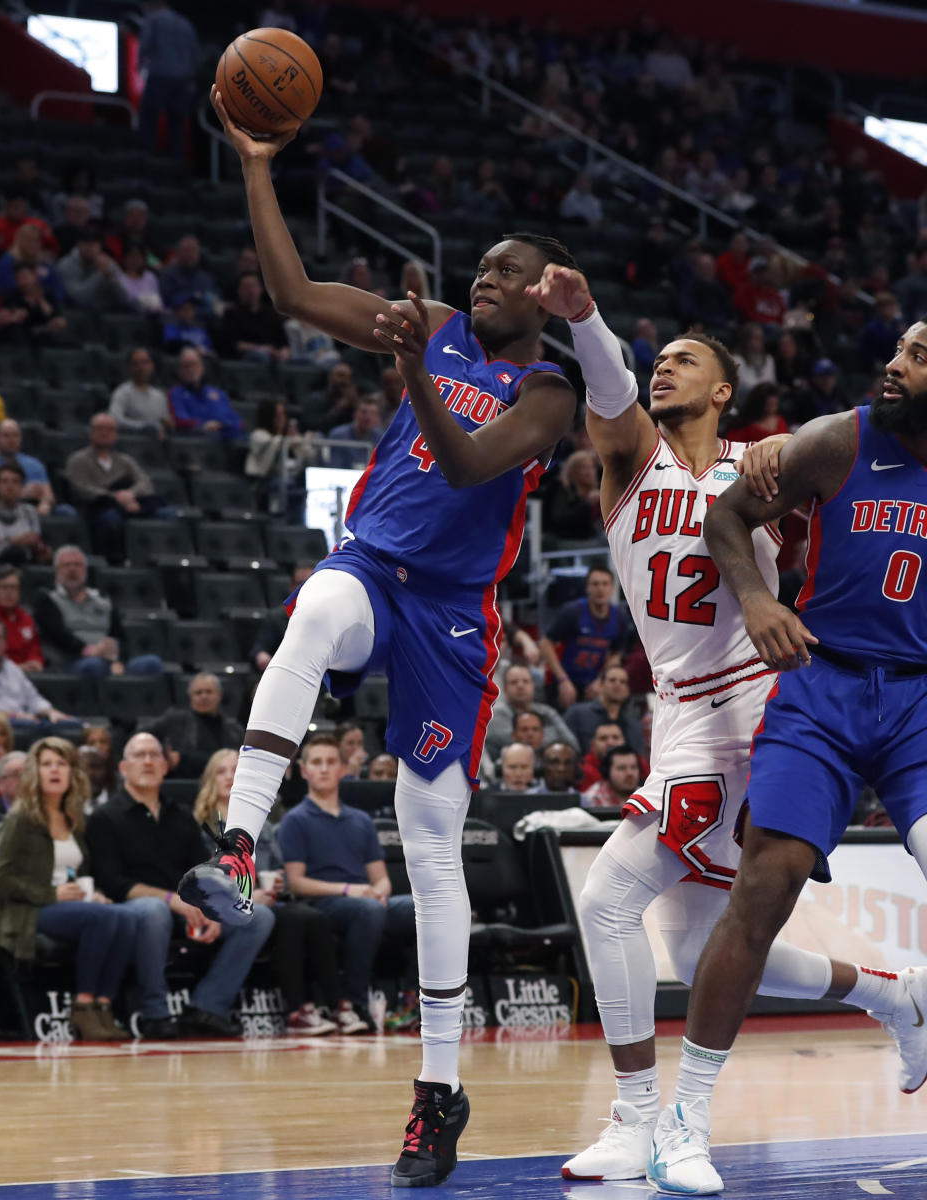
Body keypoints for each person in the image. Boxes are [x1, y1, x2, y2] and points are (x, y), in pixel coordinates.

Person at [179, 86, 580, 1190]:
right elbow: (297, 291)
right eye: (479, 268)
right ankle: (241, 844)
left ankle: (437, 1090)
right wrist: (259, 165)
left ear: (542, 295)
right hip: (374, 569)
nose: (480, 281)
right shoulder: (436, 326)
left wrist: (411, 373)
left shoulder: (550, 391)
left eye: (503, 272)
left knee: (430, 835)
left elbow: (465, 466)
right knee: (312, 609)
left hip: (453, 612)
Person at [528, 263, 918, 1192]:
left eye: (685, 359)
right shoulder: (630, 463)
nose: (663, 369)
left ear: (723, 388)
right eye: (656, 357)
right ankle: (895, 995)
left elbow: (856, 457)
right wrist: (586, 323)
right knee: (704, 953)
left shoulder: (772, 458)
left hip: (757, 703)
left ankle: (637, 1121)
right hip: (680, 710)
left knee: (610, 901)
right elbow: (610, 390)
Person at [658, 322, 927, 1193]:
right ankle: (686, 1118)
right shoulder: (837, 440)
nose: (894, 362)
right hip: (826, 684)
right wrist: (759, 600)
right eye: (898, 346)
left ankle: (913, 1000)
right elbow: (725, 517)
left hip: (921, 699)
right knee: (766, 881)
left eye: (920, 356)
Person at [86, 732, 275, 1038]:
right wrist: (170, 899)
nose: (148, 761)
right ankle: (155, 1012)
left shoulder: (181, 816)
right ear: (123, 768)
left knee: (256, 916)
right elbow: (112, 882)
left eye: (154, 755)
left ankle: (207, 1006)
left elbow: (203, 870)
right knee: (153, 911)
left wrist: (210, 905)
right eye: (139, 755)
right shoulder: (105, 818)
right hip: (137, 910)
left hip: (186, 906)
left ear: (165, 766)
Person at [0, 736, 136, 1040]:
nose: (55, 770)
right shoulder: (20, 821)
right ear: (35, 773)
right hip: (27, 911)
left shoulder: (73, 820)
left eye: (62, 763)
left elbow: (72, 874)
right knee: (101, 918)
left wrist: (90, 893)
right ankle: (83, 1005)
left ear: (72, 773)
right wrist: (51, 894)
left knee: (126, 916)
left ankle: (103, 1006)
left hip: (67, 907)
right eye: (47, 764)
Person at [194, 749, 341, 1036]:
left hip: (264, 904)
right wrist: (248, 896)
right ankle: (295, 1010)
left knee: (309, 916)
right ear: (210, 781)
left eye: (235, 770)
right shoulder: (201, 828)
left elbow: (278, 871)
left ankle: (329, 1006)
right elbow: (204, 879)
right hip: (220, 907)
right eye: (221, 772)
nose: (229, 777)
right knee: (275, 917)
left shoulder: (265, 827)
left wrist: (278, 884)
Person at [276, 734, 414, 1032]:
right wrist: (352, 891)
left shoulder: (361, 820)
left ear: (342, 769)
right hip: (324, 904)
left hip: (367, 902)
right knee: (368, 910)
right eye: (316, 762)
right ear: (304, 771)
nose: (324, 769)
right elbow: (296, 883)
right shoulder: (295, 820)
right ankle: (350, 1003)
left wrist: (378, 893)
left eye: (330, 762)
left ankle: (415, 999)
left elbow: (381, 880)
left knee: (423, 908)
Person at [34, 545, 163, 678]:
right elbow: (59, 636)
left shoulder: (103, 600)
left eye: (77, 565)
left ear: (85, 570)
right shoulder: (47, 598)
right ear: (57, 570)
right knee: (95, 666)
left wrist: (118, 661)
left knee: (152, 663)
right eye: (66, 565)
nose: (72, 569)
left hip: (109, 661)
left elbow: (119, 637)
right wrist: (90, 651)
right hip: (73, 661)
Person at [64, 414, 168, 559]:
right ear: (91, 432)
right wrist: (115, 497)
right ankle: (116, 560)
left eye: (110, 429)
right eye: (100, 428)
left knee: (166, 514)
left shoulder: (125, 460)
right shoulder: (78, 460)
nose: (105, 433)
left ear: (116, 434)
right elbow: (80, 488)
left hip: (129, 505)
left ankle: (157, 558)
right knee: (111, 519)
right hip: (97, 508)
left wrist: (131, 494)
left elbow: (145, 482)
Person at [538, 565, 632, 708]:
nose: (600, 589)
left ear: (612, 588)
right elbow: (545, 643)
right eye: (595, 584)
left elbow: (615, 655)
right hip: (563, 680)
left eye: (605, 584)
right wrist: (563, 680)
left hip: (593, 682)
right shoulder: (573, 612)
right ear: (587, 588)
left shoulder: (620, 618)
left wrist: (600, 681)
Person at [141, 673, 244, 779]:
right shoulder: (174, 720)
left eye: (209, 692)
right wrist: (163, 755)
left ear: (219, 695)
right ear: (191, 697)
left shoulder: (234, 730)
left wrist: (183, 759)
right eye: (198, 693)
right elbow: (141, 734)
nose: (204, 696)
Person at [0, 618, 69, 724]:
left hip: (24, 720)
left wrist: (49, 711)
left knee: (66, 723)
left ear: (5, 643)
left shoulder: (12, 668)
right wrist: (15, 715)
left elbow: (32, 697)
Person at [138, 1, 200, 159]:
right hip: (182, 80)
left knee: (149, 119)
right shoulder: (186, 23)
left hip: (159, 76)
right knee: (177, 125)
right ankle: (176, 162)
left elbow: (145, 45)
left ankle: (147, 158)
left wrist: (139, 64)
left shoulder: (154, 20)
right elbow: (194, 53)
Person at [485, 665, 579, 762]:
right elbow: (515, 742)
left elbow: (571, 744)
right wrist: (548, 736)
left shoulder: (547, 712)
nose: (520, 686)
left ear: (533, 686)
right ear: (504, 688)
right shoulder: (493, 714)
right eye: (514, 682)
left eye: (526, 681)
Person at [0, 419, 58, 516]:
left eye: (15, 435)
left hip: (32, 510)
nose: (11, 439)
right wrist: (23, 493)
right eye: (6, 435)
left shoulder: (35, 465)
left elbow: (48, 495)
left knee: (66, 511)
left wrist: (45, 504)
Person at [0, 464, 53, 565]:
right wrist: (16, 542)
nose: (10, 486)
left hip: (26, 564)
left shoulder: (29, 511)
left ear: (22, 487)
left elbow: (35, 542)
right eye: (4, 481)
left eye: (15, 481)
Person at [563, 664, 644, 756]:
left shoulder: (634, 724)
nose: (617, 684)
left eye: (623, 682)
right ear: (600, 685)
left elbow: (639, 759)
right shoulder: (576, 714)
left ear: (628, 690)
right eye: (612, 680)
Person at [168, 347, 243, 439]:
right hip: (196, 440)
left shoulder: (218, 393)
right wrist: (203, 425)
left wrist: (227, 424)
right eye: (186, 366)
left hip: (225, 437)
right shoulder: (175, 393)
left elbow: (234, 418)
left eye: (194, 364)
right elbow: (179, 420)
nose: (190, 369)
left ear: (202, 367)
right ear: (180, 370)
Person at [218, 271, 290, 362]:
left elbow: (284, 343)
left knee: (305, 360)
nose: (250, 291)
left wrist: (284, 352)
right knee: (261, 356)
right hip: (245, 358)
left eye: (253, 286)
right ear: (239, 290)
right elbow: (235, 345)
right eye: (246, 287)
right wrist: (262, 349)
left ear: (261, 289)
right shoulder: (231, 313)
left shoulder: (272, 314)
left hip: (274, 356)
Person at [108, 347, 172, 436]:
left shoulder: (159, 396)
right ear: (129, 367)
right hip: (131, 443)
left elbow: (163, 423)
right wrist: (143, 427)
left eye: (145, 362)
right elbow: (114, 419)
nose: (141, 367)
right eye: (136, 363)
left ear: (152, 366)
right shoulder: (122, 392)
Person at [327, 395, 384, 469]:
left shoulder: (381, 438)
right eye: (364, 412)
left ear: (378, 418)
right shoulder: (337, 436)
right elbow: (334, 468)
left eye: (372, 413)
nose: (367, 417)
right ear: (355, 414)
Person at [581, 744, 641, 809]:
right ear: (607, 771)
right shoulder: (592, 799)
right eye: (622, 768)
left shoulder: (646, 795)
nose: (630, 773)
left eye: (634, 767)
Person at [579, 720, 626, 789]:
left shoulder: (638, 762)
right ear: (593, 744)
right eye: (603, 738)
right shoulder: (583, 770)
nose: (610, 743)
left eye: (615, 737)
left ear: (624, 741)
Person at [0, 749, 25, 814]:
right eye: (16, 775)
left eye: (27, 774)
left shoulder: (43, 811)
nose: (23, 779)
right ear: (0, 782)